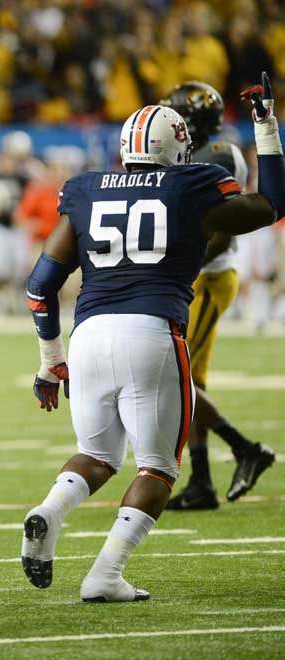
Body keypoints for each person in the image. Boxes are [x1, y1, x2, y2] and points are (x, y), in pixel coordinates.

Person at [20, 75, 285, 602]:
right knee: (159, 468)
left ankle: (48, 510)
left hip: (88, 334)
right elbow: (272, 204)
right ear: (180, 148)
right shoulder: (193, 185)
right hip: (153, 330)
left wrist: (51, 360)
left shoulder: (85, 189)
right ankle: (105, 574)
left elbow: (39, 287)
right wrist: (266, 126)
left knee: (96, 456)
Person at [159, 81, 276, 510]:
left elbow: (222, 231)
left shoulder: (217, 155)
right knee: (188, 381)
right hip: (196, 278)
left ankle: (244, 449)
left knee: (177, 380)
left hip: (207, 278)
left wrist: (178, 265)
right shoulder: (196, 151)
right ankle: (203, 482)